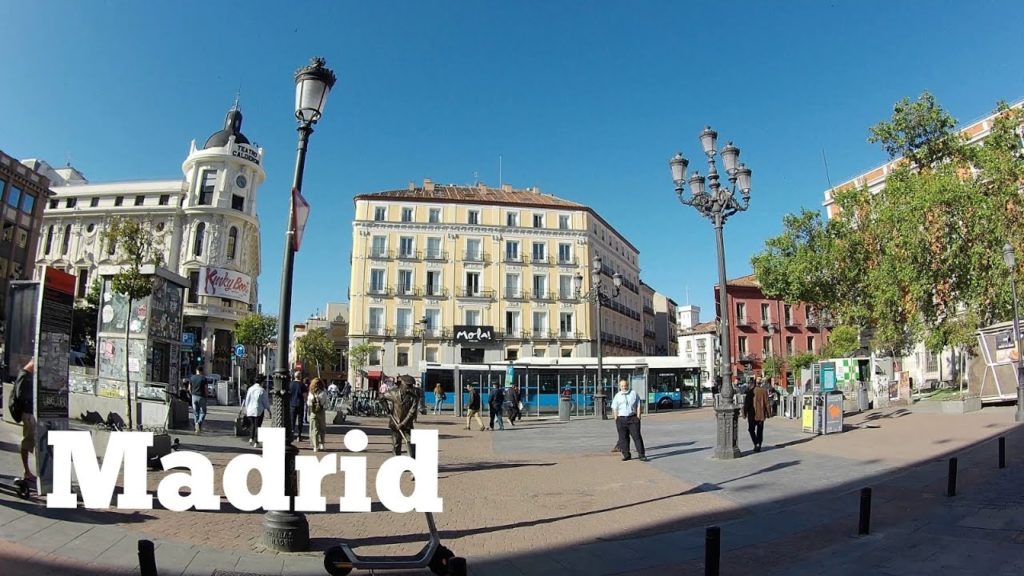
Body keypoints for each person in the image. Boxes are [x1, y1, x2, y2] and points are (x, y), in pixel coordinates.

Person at [381, 375, 420, 456]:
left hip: (407, 425)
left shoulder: (413, 398)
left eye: (411, 386)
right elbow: (382, 397)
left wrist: (402, 423)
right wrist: (386, 408)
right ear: (402, 384)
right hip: (395, 423)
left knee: (410, 443)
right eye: (408, 385)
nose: (410, 388)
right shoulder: (393, 393)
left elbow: (411, 412)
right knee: (396, 445)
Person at [610, 378, 646, 462]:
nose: (624, 387)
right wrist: (616, 418)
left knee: (637, 437)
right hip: (621, 419)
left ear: (628, 385)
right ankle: (626, 455)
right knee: (623, 438)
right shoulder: (617, 396)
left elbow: (638, 404)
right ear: (619, 386)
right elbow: (614, 407)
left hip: (632, 418)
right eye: (622, 386)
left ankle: (641, 455)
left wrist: (638, 416)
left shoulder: (633, 393)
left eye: (625, 385)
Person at [13, 360, 37, 483]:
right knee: (27, 441)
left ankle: (28, 471)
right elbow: (19, 395)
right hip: (27, 413)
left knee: (30, 440)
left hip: (30, 413)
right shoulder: (24, 375)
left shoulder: (28, 376)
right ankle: (26, 471)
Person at [241, 377, 272, 447]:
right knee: (258, 426)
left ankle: (251, 438)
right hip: (259, 410)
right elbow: (265, 402)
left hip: (250, 410)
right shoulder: (262, 390)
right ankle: (256, 442)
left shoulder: (250, 389)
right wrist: (269, 410)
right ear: (261, 382)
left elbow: (247, 400)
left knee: (252, 424)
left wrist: (246, 409)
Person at [743, 379, 772, 452]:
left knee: (751, 429)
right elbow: (767, 403)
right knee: (760, 430)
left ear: (754, 383)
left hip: (752, 415)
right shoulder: (764, 391)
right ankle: (759, 444)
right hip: (761, 414)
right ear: (760, 383)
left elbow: (746, 404)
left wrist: (744, 414)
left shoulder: (750, 392)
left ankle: (756, 443)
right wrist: (769, 413)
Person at [307, 378, 327, 452]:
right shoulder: (323, 393)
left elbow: (308, 403)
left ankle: (315, 446)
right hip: (321, 412)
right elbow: (326, 403)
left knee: (314, 429)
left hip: (313, 412)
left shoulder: (311, 393)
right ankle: (322, 444)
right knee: (322, 428)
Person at [189, 366, 208, 434]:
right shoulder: (204, 378)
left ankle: (196, 424)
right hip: (202, 396)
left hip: (194, 396)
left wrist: (191, 393)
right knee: (203, 411)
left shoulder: (192, 377)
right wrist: (206, 395)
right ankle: (199, 423)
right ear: (202, 371)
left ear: (196, 370)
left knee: (196, 412)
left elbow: (189, 387)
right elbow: (206, 388)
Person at [289, 371, 305, 442]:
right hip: (300, 404)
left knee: (292, 420)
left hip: (292, 404)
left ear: (294, 376)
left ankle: (292, 433)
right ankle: (299, 435)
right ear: (300, 376)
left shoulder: (290, 384)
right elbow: (305, 395)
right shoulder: (302, 385)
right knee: (300, 420)